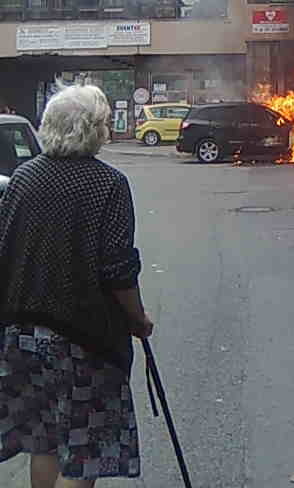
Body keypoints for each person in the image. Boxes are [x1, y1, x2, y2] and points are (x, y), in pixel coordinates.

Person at [0, 84, 153, 487]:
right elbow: (118, 269)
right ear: (95, 130)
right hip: (82, 339)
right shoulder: (108, 184)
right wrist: (138, 320)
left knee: (44, 441)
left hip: (22, 336)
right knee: (82, 453)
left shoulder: (23, 177)